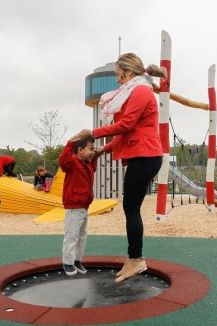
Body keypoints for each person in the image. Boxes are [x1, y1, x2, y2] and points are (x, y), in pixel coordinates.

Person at [81, 52, 166, 283]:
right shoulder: (133, 91)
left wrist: (92, 133)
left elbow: (125, 125)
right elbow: (127, 132)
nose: (117, 80)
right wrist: (102, 149)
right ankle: (133, 259)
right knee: (130, 206)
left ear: (129, 72)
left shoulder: (140, 91)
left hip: (145, 155)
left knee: (130, 207)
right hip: (143, 155)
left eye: (119, 75)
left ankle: (136, 260)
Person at [58, 130, 98, 276]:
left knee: (82, 235)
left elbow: (94, 163)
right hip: (74, 206)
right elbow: (63, 159)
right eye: (90, 149)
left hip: (84, 206)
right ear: (80, 150)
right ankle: (67, 262)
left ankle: (77, 260)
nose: (92, 152)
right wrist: (72, 141)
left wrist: (95, 154)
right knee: (72, 235)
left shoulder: (89, 164)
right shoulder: (72, 162)